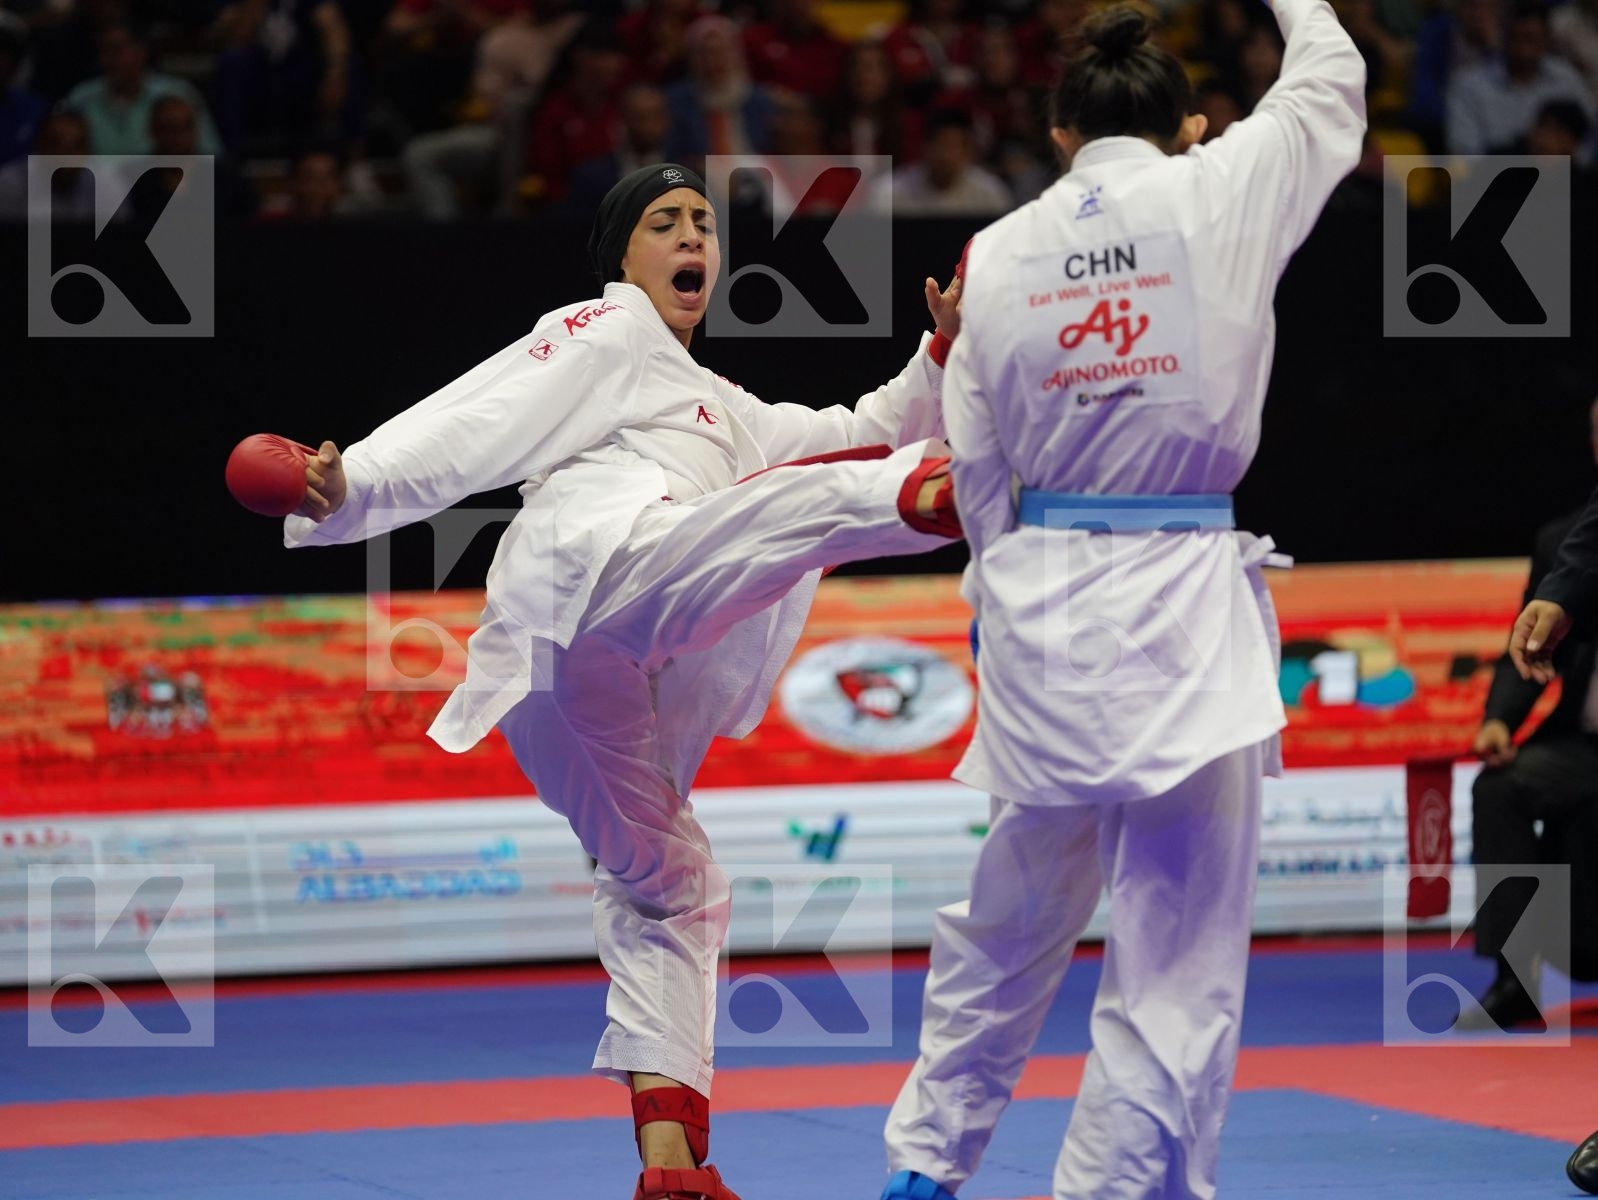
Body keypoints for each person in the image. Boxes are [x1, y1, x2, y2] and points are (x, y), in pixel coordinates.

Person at [280, 162, 964, 1200]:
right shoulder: (604, 331)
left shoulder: (720, 406)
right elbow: (476, 419)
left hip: (571, 685)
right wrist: (355, 482)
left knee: (670, 889)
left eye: (702, 221)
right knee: (775, 516)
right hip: (596, 576)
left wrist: (943, 350)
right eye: (665, 221)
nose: (693, 235)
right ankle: (944, 496)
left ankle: (671, 1170)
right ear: (622, 259)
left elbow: (857, 426)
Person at [878, 3, 1364, 1199]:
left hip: (1042, 602)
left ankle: (920, 1170)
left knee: (1007, 917)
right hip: (1181, 610)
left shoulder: (995, 250)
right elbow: (1330, 79)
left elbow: (973, 461)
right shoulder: (1221, 184)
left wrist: (996, 603)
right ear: (1183, 123)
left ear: (1057, 131)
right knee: (1176, 950)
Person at [1467, 397, 1598, 1033]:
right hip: (1585, 745)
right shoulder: (1569, 543)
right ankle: (1515, 982)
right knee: (1502, 788)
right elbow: (1532, 644)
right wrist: (1500, 721)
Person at [1445, 0, 1593, 154]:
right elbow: (1465, 153)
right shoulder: (1469, 86)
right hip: (1495, 174)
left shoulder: (1566, 78)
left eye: (1530, 39)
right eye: (1516, 38)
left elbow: (1589, 139)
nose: (1523, 50)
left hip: (1564, 174)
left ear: (1547, 40)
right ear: (1503, 37)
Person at [63, 21, 223, 157]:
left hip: (165, 189)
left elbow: (209, 152)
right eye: (103, 51)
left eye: (117, 50)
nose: (108, 60)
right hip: (98, 189)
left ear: (141, 51)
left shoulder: (178, 94)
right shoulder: (81, 98)